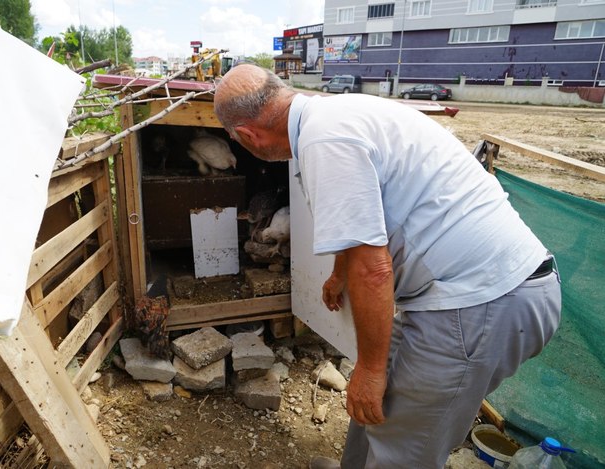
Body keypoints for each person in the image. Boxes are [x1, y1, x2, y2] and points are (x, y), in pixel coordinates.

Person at [213, 64, 561, 469]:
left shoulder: (325, 141)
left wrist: (369, 370)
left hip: (480, 303)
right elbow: (364, 223)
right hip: (485, 291)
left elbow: (374, 269)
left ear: (247, 136)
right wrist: (340, 273)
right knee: (380, 408)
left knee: (402, 443)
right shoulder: (333, 115)